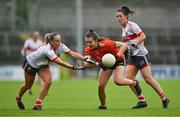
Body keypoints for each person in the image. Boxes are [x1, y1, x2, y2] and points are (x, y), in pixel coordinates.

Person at [16, 32, 88, 110]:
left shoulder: (61, 46)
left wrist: (84, 58)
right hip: (31, 63)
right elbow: (60, 62)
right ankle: (18, 98)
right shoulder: (47, 49)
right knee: (28, 85)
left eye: (60, 40)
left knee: (48, 82)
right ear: (51, 42)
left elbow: (72, 53)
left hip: (43, 65)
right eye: (57, 41)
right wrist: (73, 67)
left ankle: (37, 104)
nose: (59, 42)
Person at [115, 6, 169, 109]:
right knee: (129, 80)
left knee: (148, 79)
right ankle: (142, 101)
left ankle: (164, 98)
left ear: (126, 16)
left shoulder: (132, 25)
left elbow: (143, 36)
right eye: (117, 16)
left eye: (120, 16)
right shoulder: (123, 28)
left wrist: (134, 45)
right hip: (133, 56)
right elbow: (127, 43)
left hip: (141, 55)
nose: (118, 18)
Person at [83, 29, 142, 109]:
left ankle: (134, 83)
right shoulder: (88, 49)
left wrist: (117, 55)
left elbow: (124, 45)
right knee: (101, 86)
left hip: (118, 60)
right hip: (106, 64)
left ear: (96, 40)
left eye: (90, 42)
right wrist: (96, 63)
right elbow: (86, 63)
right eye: (87, 42)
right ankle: (103, 105)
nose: (88, 44)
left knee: (118, 81)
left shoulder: (107, 43)